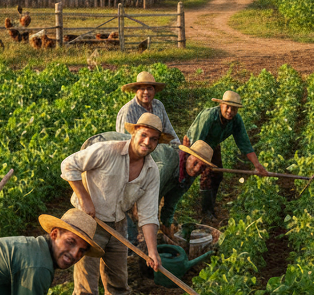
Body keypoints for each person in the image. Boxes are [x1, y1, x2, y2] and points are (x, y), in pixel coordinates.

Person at [60, 113, 168, 295]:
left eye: (153, 140)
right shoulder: (107, 151)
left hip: (118, 226)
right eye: (144, 135)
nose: (147, 142)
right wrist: (85, 198)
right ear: (134, 132)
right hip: (88, 224)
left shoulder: (151, 171)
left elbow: (149, 214)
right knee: (87, 285)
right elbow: (69, 165)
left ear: (157, 143)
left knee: (119, 282)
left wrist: (152, 251)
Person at [184, 90, 270, 222]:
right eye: (227, 107)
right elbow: (196, 140)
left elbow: (244, 143)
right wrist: (201, 161)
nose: (230, 111)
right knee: (198, 175)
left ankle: (210, 206)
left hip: (212, 147)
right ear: (221, 105)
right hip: (194, 145)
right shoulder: (209, 116)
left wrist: (257, 165)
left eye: (234, 109)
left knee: (217, 175)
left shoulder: (236, 121)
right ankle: (204, 211)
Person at [157, 140, 213, 241]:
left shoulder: (189, 175)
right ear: (188, 156)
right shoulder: (168, 164)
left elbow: (171, 202)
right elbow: (150, 199)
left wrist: (167, 226)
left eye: (202, 167)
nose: (197, 169)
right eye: (195, 162)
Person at [115, 70, 179, 147]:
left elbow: (169, 131)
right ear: (136, 91)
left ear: (154, 91)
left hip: (158, 149)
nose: (146, 92)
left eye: (149, 88)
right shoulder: (128, 110)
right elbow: (124, 140)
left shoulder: (158, 105)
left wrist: (178, 148)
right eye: (142, 89)